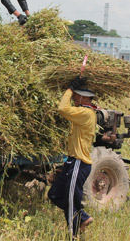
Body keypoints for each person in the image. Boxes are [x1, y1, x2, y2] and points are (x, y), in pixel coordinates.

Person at [48, 76, 96, 238]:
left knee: (71, 201)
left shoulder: (86, 113)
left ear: (82, 97)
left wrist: (69, 89)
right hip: (72, 162)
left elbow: (62, 108)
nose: (74, 99)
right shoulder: (83, 113)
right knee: (54, 194)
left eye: (76, 96)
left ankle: (73, 234)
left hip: (79, 163)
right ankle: (81, 219)